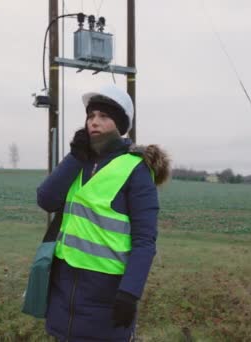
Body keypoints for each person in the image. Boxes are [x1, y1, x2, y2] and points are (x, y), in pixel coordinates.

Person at [36, 84, 170, 341]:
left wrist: (130, 293)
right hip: (64, 292)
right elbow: (46, 199)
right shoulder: (79, 161)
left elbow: (145, 240)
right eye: (90, 116)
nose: (94, 122)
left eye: (104, 116)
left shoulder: (136, 169)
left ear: (120, 125)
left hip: (106, 294)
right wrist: (75, 156)